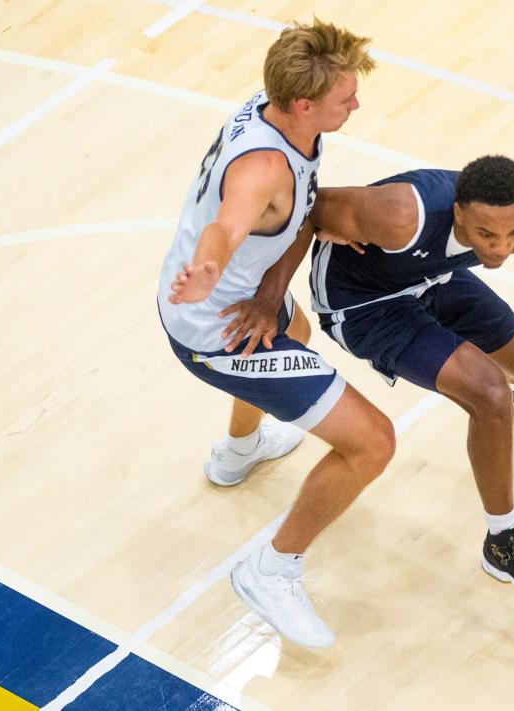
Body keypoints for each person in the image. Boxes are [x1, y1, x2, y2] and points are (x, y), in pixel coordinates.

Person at [230, 155, 514, 608]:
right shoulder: (400, 214)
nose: (501, 249)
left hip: (434, 277)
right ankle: (503, 542)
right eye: (486, 235)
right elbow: (306, 208)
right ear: (459, 213)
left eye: (512, 233)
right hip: (364, 303)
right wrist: (270, 299)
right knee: (488, 390)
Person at [161, 20, 387, 648]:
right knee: (371, 444)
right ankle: (271, 569)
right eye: (347, 97)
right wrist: (210, 267)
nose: (357, 104)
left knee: (293, 329)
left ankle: (238, 453)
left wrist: (268, 286)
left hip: (228, 300)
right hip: (214, 326)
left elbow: (291, 212)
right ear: (306, 103)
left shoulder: (276, 113)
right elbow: (232, 221)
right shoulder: (263, 166)